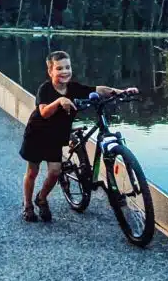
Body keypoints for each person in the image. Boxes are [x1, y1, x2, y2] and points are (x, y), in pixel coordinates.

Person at [19, 50, 136, 222]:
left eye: (67, 67)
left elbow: (99, 89)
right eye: (59, 68)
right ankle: (27, 205)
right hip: (37, 134)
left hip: (55, 138)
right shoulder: (45, 89)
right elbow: (43, 112)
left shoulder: (73, 88)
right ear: (50, 71)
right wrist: (60, 101)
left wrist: (121, 92)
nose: (65, 71)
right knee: (32, 172)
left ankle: (41, 198)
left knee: (54, 172)